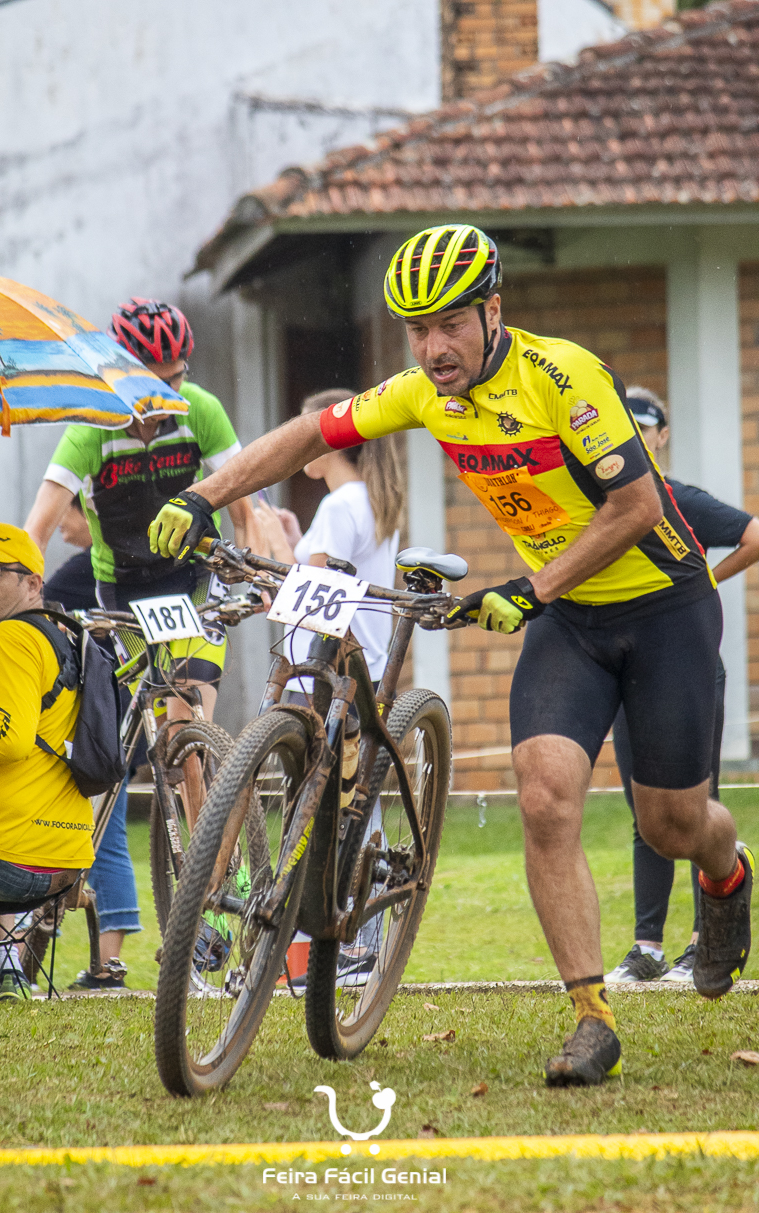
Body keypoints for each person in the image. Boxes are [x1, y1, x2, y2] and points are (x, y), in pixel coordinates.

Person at [148, 223, 754, 1089]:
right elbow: (308, 433)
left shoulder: (562, 376)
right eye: (416, 330)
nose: (433, 348)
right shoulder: (422, 393)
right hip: (568, 619)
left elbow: (635, 507)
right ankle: (592, 1017)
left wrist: (531, 587)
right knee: (542, 796)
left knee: (673, 825)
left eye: (450, 325)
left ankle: (727, 875)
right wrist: (204, 494)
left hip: (664, 610)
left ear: (492, 311)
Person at [25, 298, 257, 985]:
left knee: (187, 739)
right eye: (147, 389)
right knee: (128, 752)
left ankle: (218, 903)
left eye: (174, 381)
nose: (162, 403)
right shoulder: (90, 429)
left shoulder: (201, 411)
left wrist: (266, 572)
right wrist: (17, 599)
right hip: (122, 597)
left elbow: (248, 506)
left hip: (193, 587)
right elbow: (38, 525)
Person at [605, 388, 759, 984]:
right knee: (643, 811)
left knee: (695, 805)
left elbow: (753, 535)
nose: (639, 437)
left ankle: (701, 939)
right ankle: (646, 947)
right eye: (629, 427)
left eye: (646, 427)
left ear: (662, 436)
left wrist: (705, 583)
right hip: (630, 668)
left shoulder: (679, 499)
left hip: (690, 668)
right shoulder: (603, 503)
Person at [254, 387, 404, 987]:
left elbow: (311, 593)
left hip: (322, 673)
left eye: (308, 431)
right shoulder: (369, 500)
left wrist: (270, 552)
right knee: (352, 800)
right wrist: (294, 542)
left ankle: (344, 946)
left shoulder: (341, 505)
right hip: (360, 667)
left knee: (322, 806)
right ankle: (362, 940)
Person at [0, 524, 93, 1000]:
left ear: (32, 583)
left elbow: (6, 738)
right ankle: (5, 969)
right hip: (60, 862)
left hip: (0, 862)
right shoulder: (58, 636)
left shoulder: (10, 638)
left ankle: (4, 964)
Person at [43, 496, 142, 990]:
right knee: (108, 838)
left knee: (97, 839)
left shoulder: (87, 570)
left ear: (88, 515)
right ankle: (106, 963)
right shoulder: (131, 571)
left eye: (67, 514)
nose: (60, 526)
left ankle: (102, 964)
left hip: (92, 728)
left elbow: (38, 613)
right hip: (121, 724)